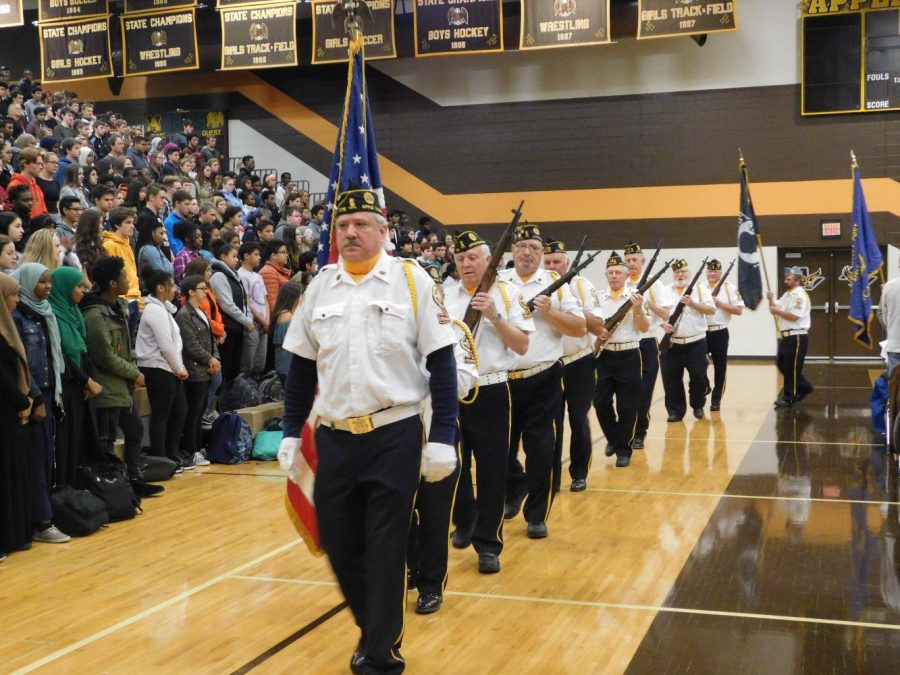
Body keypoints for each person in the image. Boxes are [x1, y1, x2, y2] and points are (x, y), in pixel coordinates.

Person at [277, 188, 458, 674]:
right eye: (342, 226)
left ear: (383, 230)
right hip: (334, 437)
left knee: (384, 546)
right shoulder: (321, 285)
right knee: (338, 543)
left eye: (360, 224)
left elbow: (442, 363)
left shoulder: (411, 280)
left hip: (393, 433)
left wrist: (443, 435)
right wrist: (292, 432)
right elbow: (300, 370)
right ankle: (373, 628)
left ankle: (379, 652)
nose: (350, 233)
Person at [444, 230, 531, 575]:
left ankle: (489, 544)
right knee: (452, 464)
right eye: (460, 259)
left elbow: (522, 346)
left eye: (472, 258)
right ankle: (464, 518)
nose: (466, 264)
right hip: (451, 392)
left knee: (493, 470)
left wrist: (495, 315)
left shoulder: (509, 294)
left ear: (488, 260)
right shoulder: (444, 296)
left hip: (492, 389)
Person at [498, 224, 585, 539]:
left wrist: (549, 313)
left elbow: (579, 328)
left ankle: (536, 514)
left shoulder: (557, 284)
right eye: (521, 246)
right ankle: (514, 486)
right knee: (501, 449)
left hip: (543, 377)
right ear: (512, 251)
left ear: (542, 253)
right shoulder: (498, 281)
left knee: (541, 449)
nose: (527, 252)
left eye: (534, 247)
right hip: (502, 379)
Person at [82, 256, 164, 498]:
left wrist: (132, 368)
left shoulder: (117, 308)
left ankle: (135, 479)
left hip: (123, 388)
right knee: (106, 441)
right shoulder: (95, 315)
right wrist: (135, 373)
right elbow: (104, 356)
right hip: (107, 390)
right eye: (124, 277)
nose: (129, 280)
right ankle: (111, 488)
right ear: (112, 283)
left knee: (135, 431)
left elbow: (125, 349)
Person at [11, 263, 69, 544]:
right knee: (36, 459)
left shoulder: (44, 313)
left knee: (46, 458)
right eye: (42, 282)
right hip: (32, 396)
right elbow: (21, 365)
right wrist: (34, 399)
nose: (47, 287)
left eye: (49, 282)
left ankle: (45, 516)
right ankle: (42, 521)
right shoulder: (17, 317)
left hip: (49, 392)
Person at [541, 238, 604, 492]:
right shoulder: (540, 285)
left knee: (578, 418)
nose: (552, 265)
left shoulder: (582, 285)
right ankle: (550, 477)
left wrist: (573, 303)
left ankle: (579, 472)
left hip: (579, 361)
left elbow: (598, 325)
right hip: (551, 365)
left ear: (566, 262)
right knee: (550, 423)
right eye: (548, 262)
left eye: (557, 261)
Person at [594, 253, 649, 468]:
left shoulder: (636, 297)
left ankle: (623, 450)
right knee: (599, 402)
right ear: (606, 275)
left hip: (629, 355)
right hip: (605, 356)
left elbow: (644, 328)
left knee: (627, 406)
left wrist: (637, 310)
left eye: (618, 272)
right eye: (610, 272)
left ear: (627, 275)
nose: (614, 276)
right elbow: (592, 326)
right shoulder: (598, 297)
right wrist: (598, 333)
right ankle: (614, 437)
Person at [49, 266, 101, 487]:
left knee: (76, 440)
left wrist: (87, 381)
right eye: (78, 287)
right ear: (65, 288)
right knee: (63, 440)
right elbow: (63, 355)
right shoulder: (53, 314)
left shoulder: (74, 312)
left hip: (78, 386)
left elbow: (83, 350)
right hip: (64, 385)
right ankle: (62, 490)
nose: (83, 291)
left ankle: (73, 488)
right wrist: (87, 380)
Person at [136, 268, 190, 468]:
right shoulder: (154, 311)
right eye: (171, 285)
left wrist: (178, 367)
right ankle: (161, 457)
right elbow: (166, 345)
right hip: (158, 368)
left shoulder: (164, 309)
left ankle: (172, 452)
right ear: (160, 287)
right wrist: (179, 368)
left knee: (179, 410)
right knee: (162, 414)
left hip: (170, 368)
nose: (175, 289)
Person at [623, 242, 671, 449]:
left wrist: (645, 302)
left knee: (644, 391)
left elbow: (666, 314)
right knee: (626, 391)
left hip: (648, 341)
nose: (632, 263)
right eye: (628, 261)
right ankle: (622, 433)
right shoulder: (619, 283)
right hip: (626, 343)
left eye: (635, 260)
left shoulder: (655, 284)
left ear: (643, 261)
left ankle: (639, 432)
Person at [0, 269, 34, 560]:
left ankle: (17, 533)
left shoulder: (7, 325)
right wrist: (22, 398)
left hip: (11, 411)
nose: (17, 299)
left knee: (15, 471)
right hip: (5, 409)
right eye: (12, 294)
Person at [660, 259, 716, 422]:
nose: (680, 274)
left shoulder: (700, 289)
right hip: (672, 344)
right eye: (677, 272)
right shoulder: (665, 290)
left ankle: (698, 405)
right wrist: (664, 323)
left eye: (683, 271)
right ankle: (675, 411)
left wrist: (693, 303)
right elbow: (661, 313)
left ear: (689, 273)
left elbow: (711, 309)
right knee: (671, 379)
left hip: (696, 342)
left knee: (698, 376)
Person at [176, 274, 221, 466]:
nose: (206, 292)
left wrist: (216, 358)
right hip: (194, 371)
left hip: (206, 369)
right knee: (193, 412)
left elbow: (211, 341)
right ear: (191, 291)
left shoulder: (201, 311)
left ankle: (197, 447)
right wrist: (209, 359)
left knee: (200, 411)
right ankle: (191, 450)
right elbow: (191, 345)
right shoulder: (184, 315)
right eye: (203, 288)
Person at [768, 266, 814, 408]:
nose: (785, 280)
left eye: (788, 278)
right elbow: (776, 306)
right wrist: (770, 300)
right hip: (786, 337)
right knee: (782, 364)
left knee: (792, 368)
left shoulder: (800, 296)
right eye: (786, 278)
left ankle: (790, 396)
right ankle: (804, 387)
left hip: (797, 336)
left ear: (797, 280)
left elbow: (794, 316)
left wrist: (777, 311)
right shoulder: (788, 294)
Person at [702, 259, 744, 412]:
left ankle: (716, 400)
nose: (712, 274)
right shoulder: (700, 288)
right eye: (710, 271)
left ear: (721, 273)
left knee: (720, 368)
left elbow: (739, 310)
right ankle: (704, 386)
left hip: (720, 332)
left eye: (715, 271)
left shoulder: (730, 288)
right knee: (699, 363)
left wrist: (719, 303)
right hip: (702, 332)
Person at [209, 239, 252, 385]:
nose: (237, 260)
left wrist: (248, 318)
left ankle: (228, 402)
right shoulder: (219, 276)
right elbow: (227, 304)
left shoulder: (234, 276)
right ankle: (215, 405)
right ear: (223, 257)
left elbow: (244, 301)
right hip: (227, 329)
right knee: (225, 368)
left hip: (237, 328)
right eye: (233, 256)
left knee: (234, 369)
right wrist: (246, 321)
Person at [237, 242, 268, 375]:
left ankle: (255, 390)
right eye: (256, 254)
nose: (259, 258)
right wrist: (261, 320)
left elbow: (265, 299)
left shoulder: (258, 276)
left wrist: (267, 320)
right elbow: (247, 301)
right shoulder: (241, 275)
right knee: (248, 362)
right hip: (253, 323)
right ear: (246, 255)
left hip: (264, 323)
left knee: (260, 363)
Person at [270, 280, 303, 384]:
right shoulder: (287, 316)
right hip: (288, 368)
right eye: (302, 295)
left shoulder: (284, 313)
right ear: (294, 298)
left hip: (287, 367)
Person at [260, 239, 291, 316]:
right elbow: (272, 303)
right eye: (284, 252)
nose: (286, 255)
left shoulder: (277, 271)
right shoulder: (268, 272)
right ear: (273, 255)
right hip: (279, 319)